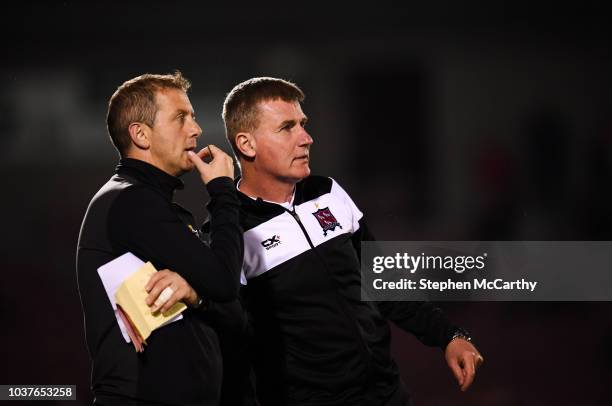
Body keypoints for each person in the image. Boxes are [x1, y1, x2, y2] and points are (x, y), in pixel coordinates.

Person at [218, 77, 484, 406]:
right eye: (287, 128)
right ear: (246, 144)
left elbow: (384, 282)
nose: (306, 138)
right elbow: (232, 348)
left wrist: (448, 336)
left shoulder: (328, 191)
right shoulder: (230, 232)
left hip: (386, 393)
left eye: (303, 124)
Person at [76, 71, 243, 406]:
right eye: (181, 118)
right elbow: (224, 281)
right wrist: (224, 191)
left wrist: (196, 295)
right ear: (140, 134)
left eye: (193, 118)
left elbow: (230, 310)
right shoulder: (130, 202)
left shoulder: (162, 210)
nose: (196, 129)